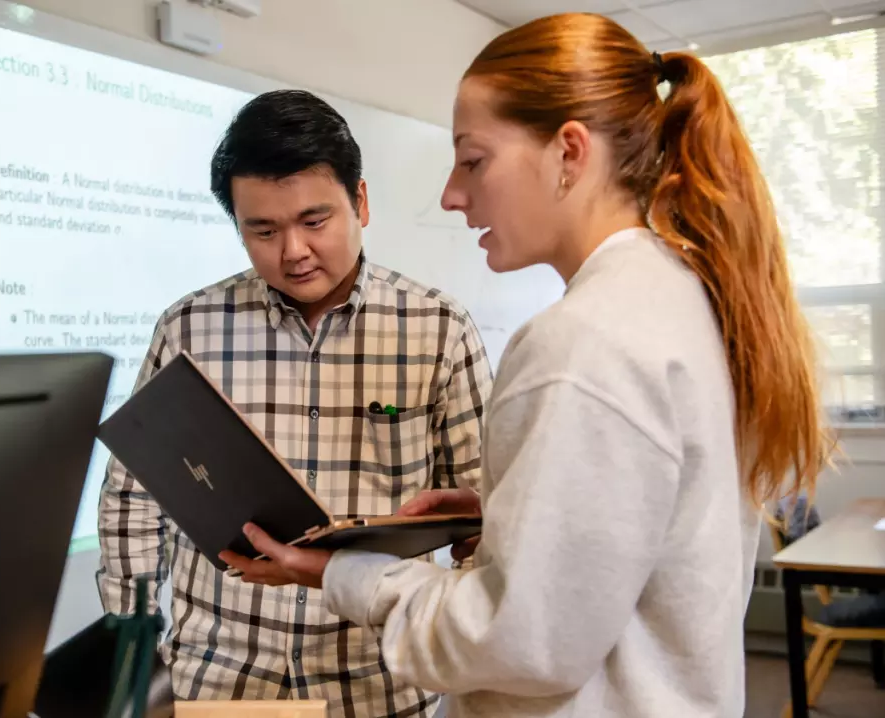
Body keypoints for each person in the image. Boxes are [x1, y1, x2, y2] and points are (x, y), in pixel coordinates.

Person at [220, 13, 833, 718]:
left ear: (569, 152)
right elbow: (637, 536)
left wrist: (348, 575)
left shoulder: (582, 344)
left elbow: (518, 643)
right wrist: (511, 513)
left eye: (473, 160)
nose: (452, 194)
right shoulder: (679, 299)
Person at [96, 89, 494, 717]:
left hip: (375, 678)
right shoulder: (191, 327)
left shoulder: (437, 328)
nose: (293, 252)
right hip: (223, 676)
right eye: (263, 230)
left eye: (315, 221)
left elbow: (483, 514)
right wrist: (129, 665)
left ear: (359, 201)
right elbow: (134, 500)